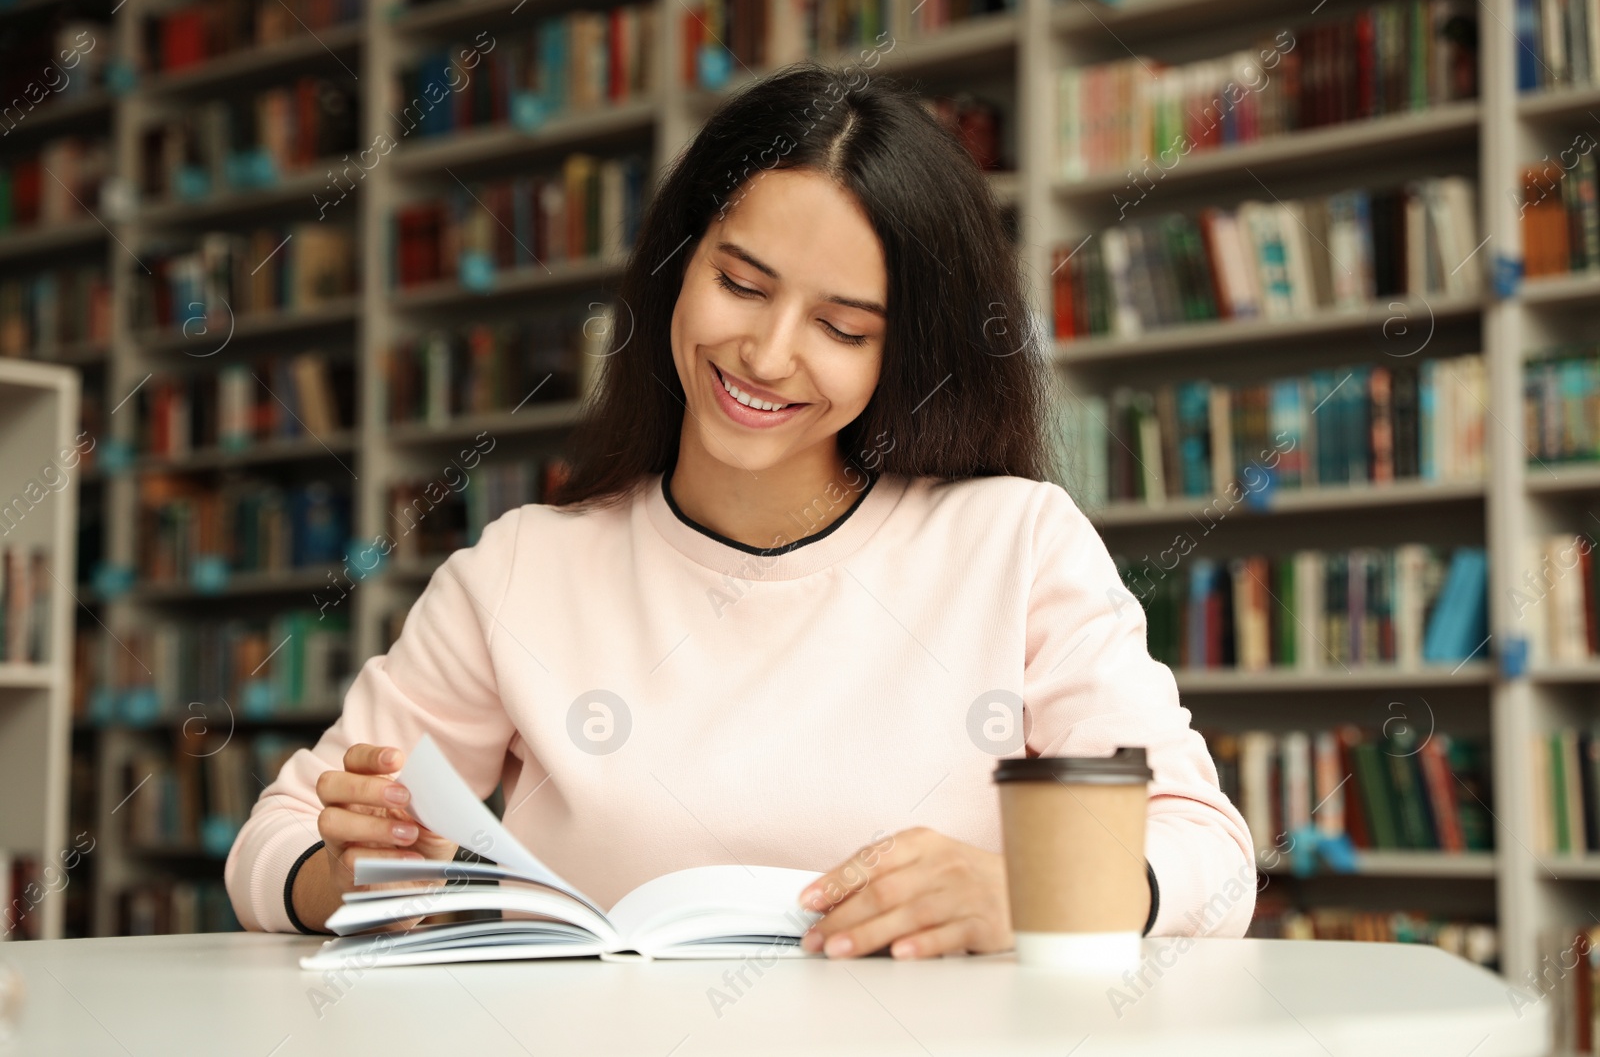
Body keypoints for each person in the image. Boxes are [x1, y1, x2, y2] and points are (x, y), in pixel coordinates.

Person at [224, 60, 1256, 957]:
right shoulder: (521, 567)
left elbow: (1208, 852)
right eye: (741, 281)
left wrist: (1024, 894)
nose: (766, 355)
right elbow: (276, 837)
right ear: (679, 263)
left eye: (843, 327)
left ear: (907, 354)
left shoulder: (1013, 544)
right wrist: (347, 871)